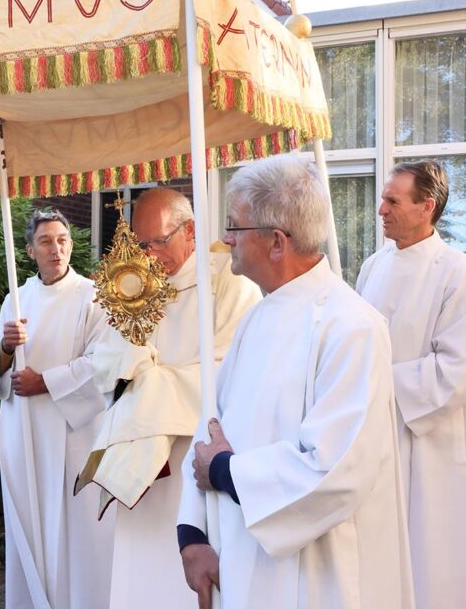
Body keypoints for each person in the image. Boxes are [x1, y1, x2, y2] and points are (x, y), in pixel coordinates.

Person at [178, 156, 414, 608]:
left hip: (316, 574)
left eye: (235, 226)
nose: (225, 239)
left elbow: (335, 471)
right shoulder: (256, 318)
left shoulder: (351, 328)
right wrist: (193, 533)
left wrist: (226, 472)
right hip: (239, 556)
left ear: (276, 243)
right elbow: (212, 425)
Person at [84, 188, 261, 609]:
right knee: (140, 579)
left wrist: (148, 381)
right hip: (142, 470)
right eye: (142, 244)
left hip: (196, 461)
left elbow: (228, 373)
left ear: (192, 231)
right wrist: (134, 364)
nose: (149, 255)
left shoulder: (230, 282)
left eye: (160, 242)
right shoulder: (135, 285)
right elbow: (104, 361)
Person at [355, 160, 466, 609]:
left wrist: (375, 381)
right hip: (377, 435)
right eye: (383, 199)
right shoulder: (372, 267)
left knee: (433, 558)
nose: (381, 210)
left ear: (426, 206)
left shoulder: (458, 272)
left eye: (392, 200)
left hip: (431, 443)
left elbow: (459, 370)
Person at [0, 210, 113, 609]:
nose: (57, 248)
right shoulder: (17, 299)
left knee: (78, 532)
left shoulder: (94, 295)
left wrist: (47, 383)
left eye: (63, 239)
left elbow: (105, 361)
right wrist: (5, 347)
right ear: (31, 250)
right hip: (26, 434)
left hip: (74, 436)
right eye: (47, 241)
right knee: (31, 529)